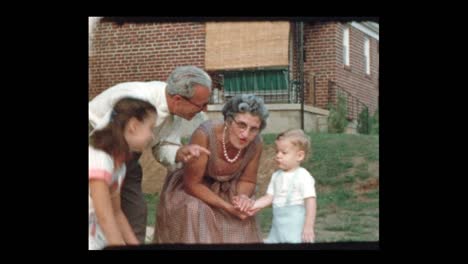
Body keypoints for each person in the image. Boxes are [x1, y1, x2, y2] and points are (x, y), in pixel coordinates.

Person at [89, 66, 212, 243]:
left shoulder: (174, 113)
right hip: (98, 143)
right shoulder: (138, 101)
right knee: (99, 211)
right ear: (178, 99)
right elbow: (104, 137)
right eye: (201, 105)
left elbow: (162, 145)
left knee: (135, 211)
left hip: (124, 157)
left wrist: (179, 152)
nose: (204, 110)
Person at [154, 94, 269, 243]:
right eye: (241, 125)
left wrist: (241, 198)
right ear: (228, 120)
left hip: (228, 189)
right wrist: (228, 207)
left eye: (254, 129)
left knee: (243, 217)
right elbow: (192, 184)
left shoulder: (256, 143)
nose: (246, 134)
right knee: (196, 211)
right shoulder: (205, 134)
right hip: (194, 188)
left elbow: (248, 179)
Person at [89, 97, 157, 250]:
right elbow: (105, 217)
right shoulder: (99, 160)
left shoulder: (119, 165)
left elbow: (116, 212)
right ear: (133, 126)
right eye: (151, 128)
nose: (152, 136)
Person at [238, 129, 317, 243]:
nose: (278, 156)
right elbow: (269, 197)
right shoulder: (276, 176)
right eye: (277, 151)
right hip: (277, 230)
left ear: (299, 156)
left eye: (284, 153)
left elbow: (310, 202)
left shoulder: (303, 176)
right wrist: (253, 206)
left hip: (295, 231)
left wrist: (308, 226)